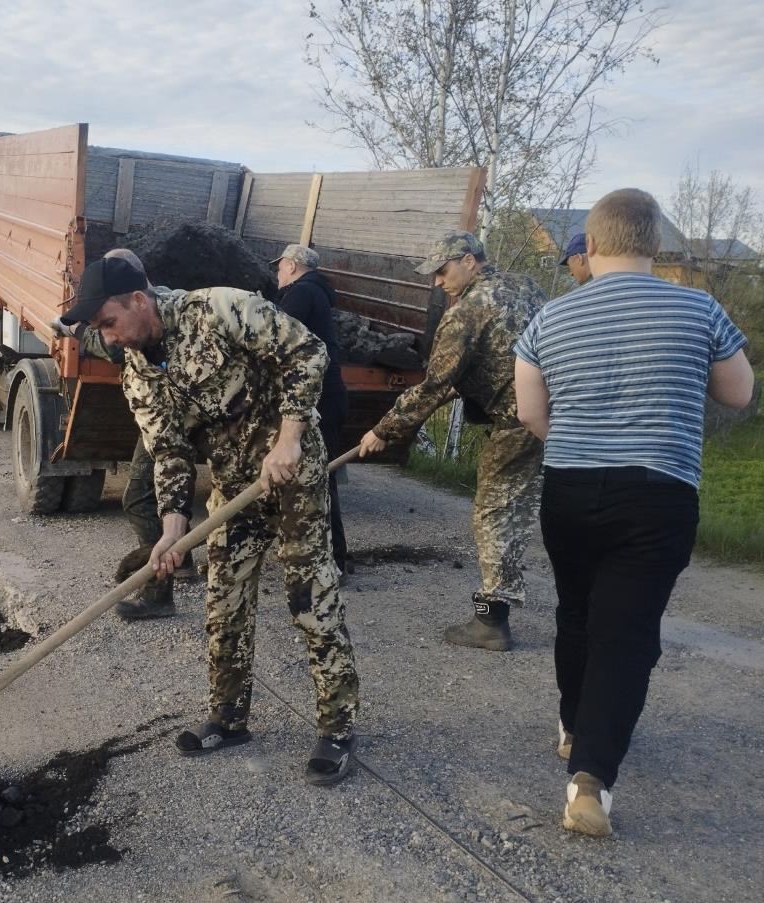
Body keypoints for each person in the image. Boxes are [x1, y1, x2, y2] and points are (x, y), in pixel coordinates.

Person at [63, 256, 360, 784]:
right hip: (232, 490)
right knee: (223, 598)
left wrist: (289, 439)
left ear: (139, 300)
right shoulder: (136, 373)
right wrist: (173, 531)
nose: (107, 339)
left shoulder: (218, 310)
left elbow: (307, 352)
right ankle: (229, 717)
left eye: (108, 323)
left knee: (309, 598)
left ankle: (337, 728)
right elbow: (170, 451)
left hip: (292, 474)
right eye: (97, 331)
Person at [514, 188, 754, 837]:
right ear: (654, 245)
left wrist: (582, 440)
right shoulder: (699, 307)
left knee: (577, 609)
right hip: (658, 490)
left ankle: (572, 723)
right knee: (626, 631)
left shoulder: (547, 321)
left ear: (589, 247)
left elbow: (530, 413)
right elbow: (738, 392)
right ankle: (590, 779)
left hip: (569, 485)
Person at [357, 231, 546, 652]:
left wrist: (383, 430)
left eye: (442, 271)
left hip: (517, 422)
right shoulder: (527, 286)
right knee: (527, 508)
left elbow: (435, 386)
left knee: (495, 513)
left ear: (469, 260)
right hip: (558, 414)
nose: (438, 283)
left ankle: (492, 622)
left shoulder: (467, 314)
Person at [54, 249, 195, 620]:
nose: (110, 332)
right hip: (172, 419)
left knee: (138, 498)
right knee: (163, 495)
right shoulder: (168, 299)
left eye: (107, 321)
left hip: (171, 420)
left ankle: (160, 587)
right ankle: (182, 555)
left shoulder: (138, 324)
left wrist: (74, 328)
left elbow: (108, 346)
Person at [272, 244, 350, 575]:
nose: (277, 273)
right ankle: (320, 557)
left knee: (320, 478)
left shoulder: (301, 293)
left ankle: (333, 562)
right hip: (328, 394)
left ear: (290, 266)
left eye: (279, 268)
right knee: (316, 476)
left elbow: (274, 338)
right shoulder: (317, 292)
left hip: (320, 397)